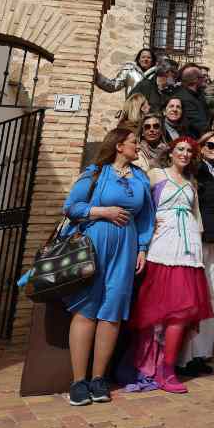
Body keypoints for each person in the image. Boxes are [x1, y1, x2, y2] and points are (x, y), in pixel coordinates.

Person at [61, 129, 155, 406]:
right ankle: (78, 382)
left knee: (112, 310)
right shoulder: (95, 173)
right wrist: (102, 211)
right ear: (118, 145)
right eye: (134, 142)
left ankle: (98, 378)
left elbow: (147, 217)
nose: (138, 146)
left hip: (125, 247)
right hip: (93, 243)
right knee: (87, 307)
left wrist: (142, 248)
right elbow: (70, 206)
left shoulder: (140, 177)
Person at [127, 138, 213, 394]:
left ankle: (168, 368)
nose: (185, 154)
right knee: (153, 313)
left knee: (181, 313)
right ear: (171, 152)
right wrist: (146, 231)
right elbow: (141, 207)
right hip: (161, 248)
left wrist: (199, 249)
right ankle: (146, 367)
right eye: (181, 149)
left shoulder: (191, 184)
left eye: (189, 151)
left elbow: (197, 220)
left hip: (187, 253)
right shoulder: (155, 175)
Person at [177, 130, 214, 378]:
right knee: (191, 295)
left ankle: (201, 354)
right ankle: (182, 355)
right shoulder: (194, 170)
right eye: (210, 145)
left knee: (212, 295)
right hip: (195, 237)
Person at [169, 65, 211, 137]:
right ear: (195, 80)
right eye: (202, 77)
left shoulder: (198, 95)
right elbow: (200, 124)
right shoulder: (184, 98)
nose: (205, 79)